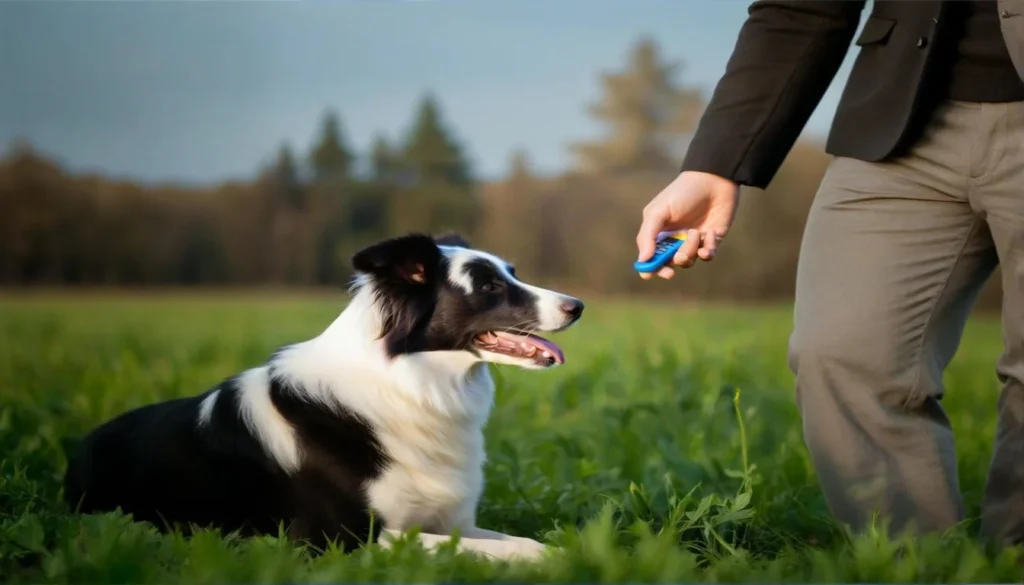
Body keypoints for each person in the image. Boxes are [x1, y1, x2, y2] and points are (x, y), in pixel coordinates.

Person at [636, 0, 1024, 544]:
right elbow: (800, 7)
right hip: (903, 115)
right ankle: (915, 566)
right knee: (842, 353)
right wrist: (715, 164)